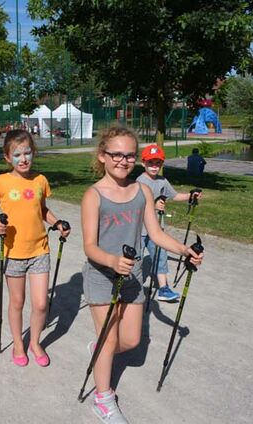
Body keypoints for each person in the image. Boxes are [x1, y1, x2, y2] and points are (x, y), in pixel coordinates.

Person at [81, 128, 203, 423]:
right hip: (101, 276)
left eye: (129, 155)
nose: (123, 160)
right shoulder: (93, 195)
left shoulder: (142, 191)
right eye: (116, 154)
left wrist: (184, 249)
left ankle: (99, 351)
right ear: (103, 156)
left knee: (132, 340)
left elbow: (156, 233)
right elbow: (89, 247)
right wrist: (112, 260)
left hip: (133, 276)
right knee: (109, 340)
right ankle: (103, 398)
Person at [0, 129, 71, 367]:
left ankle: (35, 341)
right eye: (17, 154)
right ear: (7, 157)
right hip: (13, 253)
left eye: (28, 153)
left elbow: (41, 210)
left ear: (34, 153)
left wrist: (57, 222)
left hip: (40, 249)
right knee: (17, 301)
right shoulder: (0, 181)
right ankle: (18, 344)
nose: (24, 159)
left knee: (41, 303)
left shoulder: (40, 180)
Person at [136, 144, 204, 301]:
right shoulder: (140, 181)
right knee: (136, 260)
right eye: (150, 163)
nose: (154, 166)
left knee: (161, 256)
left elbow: (174, 196)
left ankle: (163, 289)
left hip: (157, 229)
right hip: (139, 229)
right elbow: (136, 203)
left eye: (157, 163)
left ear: (161, 164)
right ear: (143, 163)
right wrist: (153, 205)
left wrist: (190, 195)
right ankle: (132, 287)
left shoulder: (162, 181)